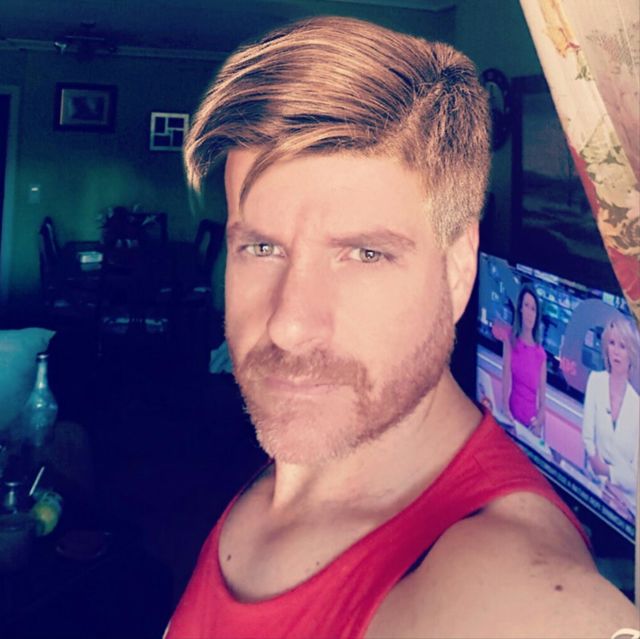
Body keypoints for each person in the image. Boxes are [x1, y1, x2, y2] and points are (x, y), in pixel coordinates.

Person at [166, 16, 637, 639]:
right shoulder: (294, 463)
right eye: (261, 247)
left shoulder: (511, 586)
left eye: (365, 254)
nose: (289, 327)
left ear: (458, 268)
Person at [582, 316, 640, 500]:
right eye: (612, 343)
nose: (615, 351)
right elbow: (588, 438)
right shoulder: (595, 381)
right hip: (594, 487)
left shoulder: (637, 407)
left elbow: (635, 478)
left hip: (625, 503)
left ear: (631, 353)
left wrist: (607, 472)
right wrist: (600, 475)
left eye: (622, 346)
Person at [500, 284, 547, 436]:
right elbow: (506, 379)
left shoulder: (541, 355)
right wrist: (506, 410)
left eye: (533, 309)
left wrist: (538, 422)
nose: (529, 313)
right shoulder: (510, 341)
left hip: (530, 428)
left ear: (537, 315)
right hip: (511, 420)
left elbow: (542, 405)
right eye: (526, 306)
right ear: (520, 308)